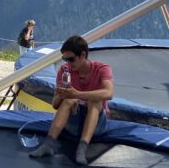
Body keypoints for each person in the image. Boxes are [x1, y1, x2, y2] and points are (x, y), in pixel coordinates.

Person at [29, 35, 114, 165]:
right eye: (65, 59)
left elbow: (108, 93)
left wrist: (78, 94)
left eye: (71, 59)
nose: (68, 62)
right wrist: (61, 95)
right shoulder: (64, 71)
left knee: (94, 101)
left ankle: (82, 147)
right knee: (69, 100)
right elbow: (55, 105)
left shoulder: (102, 69)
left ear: (83, 55)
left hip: (96, 124)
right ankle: (49, 144)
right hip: (74, 123)